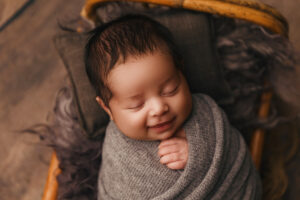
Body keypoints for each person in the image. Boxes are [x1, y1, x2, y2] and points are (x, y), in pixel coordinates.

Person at [85, 14, 261, 199]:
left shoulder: (205, 113)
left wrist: (199, 154)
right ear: (107, 109)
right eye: (136, 105)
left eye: (170, 90)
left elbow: (233, 154)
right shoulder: (117, 149)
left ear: (181, 74)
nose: (159, 108)